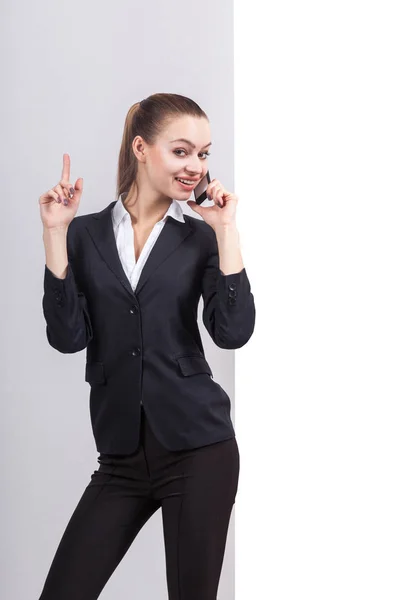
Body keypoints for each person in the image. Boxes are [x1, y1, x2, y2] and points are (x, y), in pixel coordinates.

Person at [37, 92, 256, 600]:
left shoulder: (200, 238)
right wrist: (54, 235)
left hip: (199, 449)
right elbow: (67, 338)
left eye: (203, 154)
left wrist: (226, 231)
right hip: (121, 456)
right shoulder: (85, 234)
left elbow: (233, 331)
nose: (195, 168)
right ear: (141, 147)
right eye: (181, 152)